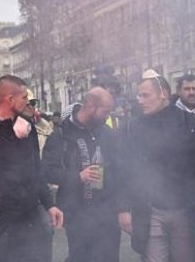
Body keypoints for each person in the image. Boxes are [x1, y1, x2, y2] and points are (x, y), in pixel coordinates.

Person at [117, 71, 195, 262]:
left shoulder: (191, 124)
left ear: (163, 94)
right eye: (138, 96)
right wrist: (123, 208)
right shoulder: (133, 127)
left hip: (187, 211)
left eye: (145, 95)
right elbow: (124, 169)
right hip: (150, 210)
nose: (140, 100)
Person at [0, 75, 63, 262]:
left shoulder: (27, 128)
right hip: (0, 226)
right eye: (24, 98)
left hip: (32, 221)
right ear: (9, 99)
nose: (28, 102)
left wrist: (50, 204)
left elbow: (36, 171)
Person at [42, 87, 120, 262]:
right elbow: (47, 171)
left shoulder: (107, 133)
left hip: (106, 213)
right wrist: (78, 177)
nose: (107, 116)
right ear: (91, 106)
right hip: (77, 214)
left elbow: (120, 168)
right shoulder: (61, 135)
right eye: (105, 111)